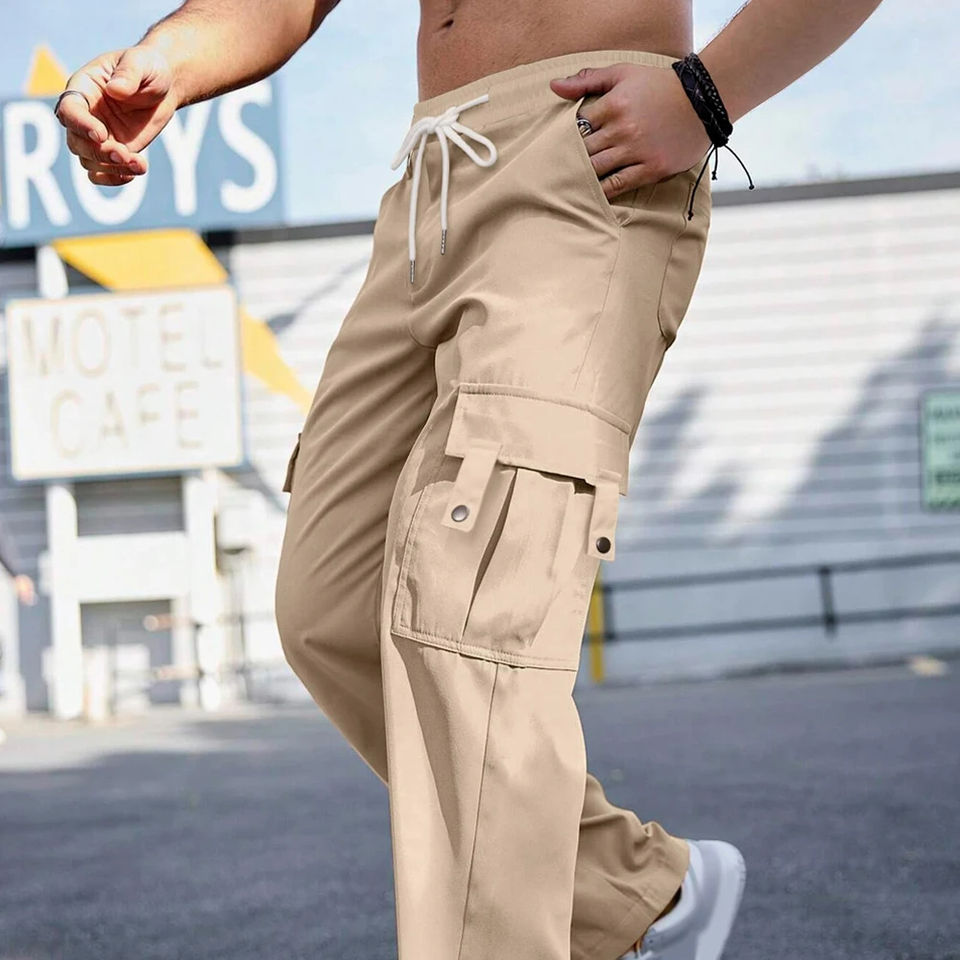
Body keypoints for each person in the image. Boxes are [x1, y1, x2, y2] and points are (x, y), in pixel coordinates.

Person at [57, 2, 885, 957]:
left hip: (592, 150)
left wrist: (706, 94)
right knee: (333, 608)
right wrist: (164, 57)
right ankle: (636, 894)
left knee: (469, 612)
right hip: (433, 175)